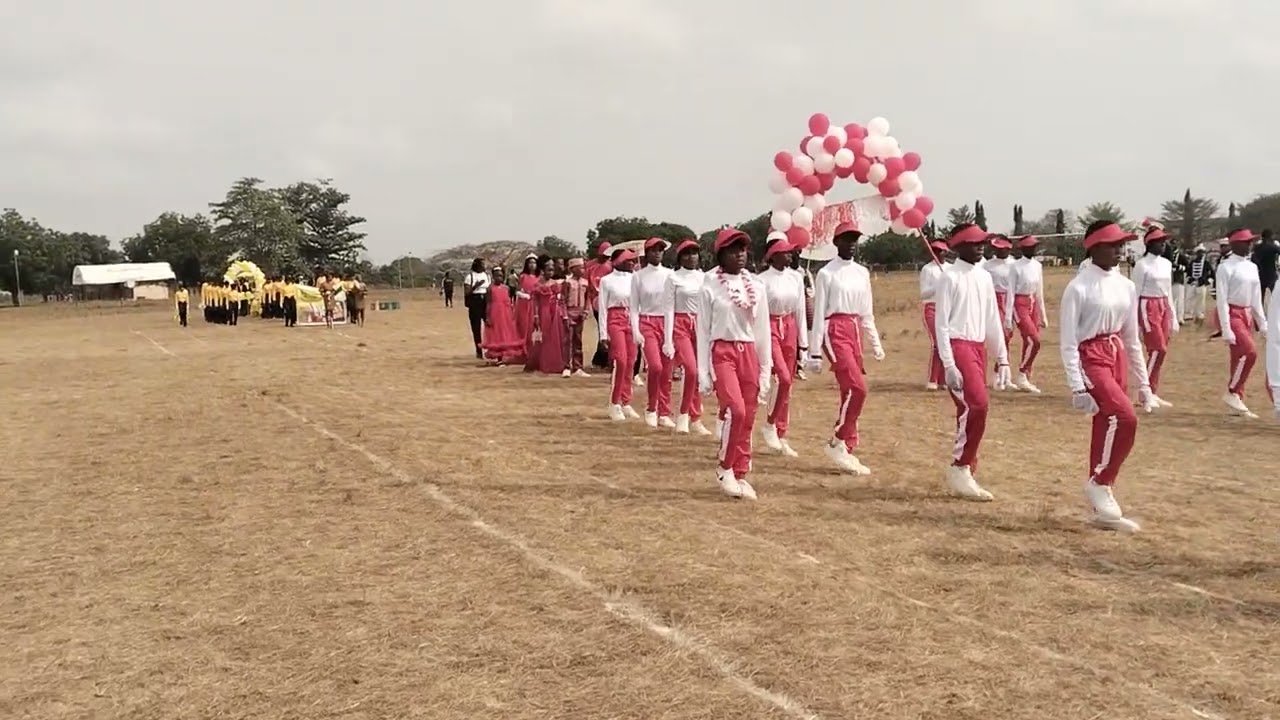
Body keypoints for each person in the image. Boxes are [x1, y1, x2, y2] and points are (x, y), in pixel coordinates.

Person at [1060, 220, 1161, 533]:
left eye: (1122, 244)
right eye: (1113, 244)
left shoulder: (1126, 285)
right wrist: (1077, 386)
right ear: (1094, 247)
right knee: (1124, 417)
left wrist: (1144, 384)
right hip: (1091, 357)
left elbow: (1132, 338)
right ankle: (1100, 483)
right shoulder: (1077, 287)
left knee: (1107, 424)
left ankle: (1101, 505)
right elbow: (1067, 342)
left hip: (1115, 353)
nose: (1120, 250)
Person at [933, 224, 1012, 501]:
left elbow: (992, 319)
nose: (981, 247)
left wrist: (1002, 358)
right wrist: (949, 363)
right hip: (958, 345)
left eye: (983, 242)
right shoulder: (949, 277)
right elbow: (941, 324)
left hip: (978, 346)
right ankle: (960, 467)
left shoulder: (984, 277)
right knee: (976, 404)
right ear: (959, 246)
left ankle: (966, 466)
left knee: (972, 409)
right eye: (974, 243)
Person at [696, 228, 772, 500]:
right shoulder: (708, 283)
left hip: (748, 351)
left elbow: (762, 330)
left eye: (743, 248)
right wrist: (703, 372)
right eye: (733, 249)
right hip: (722, 350)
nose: (739, 254)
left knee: (749, 414)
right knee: (736, 410)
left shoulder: (757, 286)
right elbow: (702, 330)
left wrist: (766, 369)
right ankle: (724, 467)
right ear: (720, 254)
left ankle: (741, 471)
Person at [808, 222, 885, 476]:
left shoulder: (862, 272)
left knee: (848, 392)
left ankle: (848, 447)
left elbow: (867, 310)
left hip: (854, 328)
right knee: (857, 388)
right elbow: (819, 313)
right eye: (846, 239)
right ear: (836, 242)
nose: (851, 243)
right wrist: (814, 351)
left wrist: (874, 341)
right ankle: (837, 441)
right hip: (834, 329)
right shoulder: (826, 273)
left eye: (855, 239)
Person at [758, 234, 808, 457]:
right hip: (769, 327)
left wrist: (803, 345)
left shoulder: (796, 277)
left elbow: (800, 311)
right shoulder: (761, 280)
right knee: (783, 379)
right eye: (786, 251)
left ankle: (781, 432)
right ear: (774, 256)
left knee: (788, 384)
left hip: (789, 327)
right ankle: (769, 424)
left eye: (791, 251)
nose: (791, 255)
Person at [1216, 228, 1268, 417]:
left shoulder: (1252, 266)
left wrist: (1262, 322)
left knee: (1238, 358)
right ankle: (1232, 392)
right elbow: (1221, 299)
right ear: (1234, 244)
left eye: (1250, 242)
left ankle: (1236, 400)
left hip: (1246, 313)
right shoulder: (1225, 267)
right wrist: (1225, 327)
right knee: (1249, 353)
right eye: (1246, 242)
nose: (1249, 245)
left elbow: (1256, 298)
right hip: (1232, 312)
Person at [662, 239, 710, 435]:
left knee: (699, 372)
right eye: (687, 253)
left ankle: (695, 417)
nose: (692, 257)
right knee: (690, 369)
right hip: (681, 324)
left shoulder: (704, 277)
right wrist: (667, 339)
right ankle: (682, 414)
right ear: (680, 257)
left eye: (695, 253)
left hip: (700, 324)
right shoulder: (673, 278)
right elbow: (668, 308)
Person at [631, 238, 675, 428]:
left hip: (666, 322)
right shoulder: (638, 276)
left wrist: (670, 335)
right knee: (655, 367)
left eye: (661, 250)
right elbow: (634, 307)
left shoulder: (670, 275)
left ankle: (664, 411)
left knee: (667, 370)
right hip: (647, 321)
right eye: (654, 250)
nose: (658, 253)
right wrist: (635, 331)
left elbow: (672, 305)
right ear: (647, 253)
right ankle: (651, 407)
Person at [1130, 227, 1179, 400]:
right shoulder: (1142, 265)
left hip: (1163, 304)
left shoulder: (1166, 264)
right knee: (1158, 349)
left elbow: (1169, 291)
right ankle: (1147, 390)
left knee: (1159, 351)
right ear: (1150, 244)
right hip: (1147, 305)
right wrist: (1134, 322)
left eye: (1164, 241)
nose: (1163, 244)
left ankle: (1152, 390)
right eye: (1159, 241)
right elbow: (1134, 293)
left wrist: (1173, 316)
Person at [598, 248, 640, 420]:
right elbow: (602, 307)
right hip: (615, 319)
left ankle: (626, 401)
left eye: (633, 260)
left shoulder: (634, 279)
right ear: (618, 261)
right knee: (621, 360)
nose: (632, 263)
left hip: (632, 318)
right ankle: (614, 402)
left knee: (631, 361)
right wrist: (603, 334)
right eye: (628, 260)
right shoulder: (606, 281)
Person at [1009, 235, 1048, 393]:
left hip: (1032, 303)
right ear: (1023, 249)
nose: (1032, 250)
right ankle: (1022, 373)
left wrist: (1043, 314)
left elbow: (1040, 292)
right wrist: (1007, 317)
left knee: (1029, 341)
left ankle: (1025, 377)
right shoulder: (1015, 266)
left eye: (1034, 247)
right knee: (1034, 341)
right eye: (1029, 247)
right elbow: (1010, 291)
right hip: (1019, 304)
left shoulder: (1037, 266)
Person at [524, 255, 568, 374]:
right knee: (545, 338)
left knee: (556, 338)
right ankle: (543, 362)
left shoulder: (556, 283)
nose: (551, 271)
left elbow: (561, 299)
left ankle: (555, 362)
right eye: (549, 269)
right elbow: (535, 302)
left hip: (555, 311)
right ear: (543, 270)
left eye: (553, 269)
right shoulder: (538, 284)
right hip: (544, 312)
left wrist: (563, 314)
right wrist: (536, 316)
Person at [918, 239, 951, 391]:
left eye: (941, 250)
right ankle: (932, 379)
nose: (938, 253)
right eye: (935, 250)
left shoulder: (951, 269)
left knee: (947, 343)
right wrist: (938, 285)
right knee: (938, 343)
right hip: (931, 307)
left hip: (948, 308)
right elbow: (923, 293)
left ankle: (943, 379)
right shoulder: (927, 269)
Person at [481, 267, 522, 365]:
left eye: (501, 275)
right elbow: (488, 303)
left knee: (505, 334)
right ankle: (498, 357)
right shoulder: (490, 288)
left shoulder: (506, 288)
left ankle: (504, 356)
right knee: (497, 335)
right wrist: (487, 316)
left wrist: (511, 313)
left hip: (505, 313)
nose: (499, 278)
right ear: (493, 276)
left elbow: (509, 301)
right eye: (497, 276)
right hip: (495, 313)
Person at [585, 243, 614, 370]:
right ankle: (602, 358)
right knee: (602, 330)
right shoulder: (590, 266)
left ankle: (603, 358)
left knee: (608, 330)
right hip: (596, 301)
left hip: (609, 302)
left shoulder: (612, 266)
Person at [562, 258, 591, 377]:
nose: (582, 270)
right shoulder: (567, 282)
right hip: (569, 311)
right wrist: (564, 314)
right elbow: (563, 299)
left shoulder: (585, 282)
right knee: (568, 340)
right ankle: (566, 366)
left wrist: (585, 311)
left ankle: (578, 366)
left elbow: (588, 297)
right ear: (573, 269)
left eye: (583, 267)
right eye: (580, 267)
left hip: (580, 312)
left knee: (578, 340)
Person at [463, 258, 491, 358]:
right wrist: (476, 286)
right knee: (476, 327)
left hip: (485, 301)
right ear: (477, 265)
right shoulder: (470, 276)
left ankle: (492, 348)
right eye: (483, 264)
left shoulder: (487, 275)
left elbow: (489, 289)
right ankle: (479, 351)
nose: (484, 266)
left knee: (490, 324)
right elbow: (467, 292)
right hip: (475, 301)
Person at [1251, 229, 1279, 305]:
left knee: (1260, 297)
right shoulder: (1273, 247)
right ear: (1270, 236)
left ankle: (1261, 313)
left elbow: (1253, 258)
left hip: (1260, 273)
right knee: (1276, 295)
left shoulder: (1257, 247)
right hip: (1271, 273)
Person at [1187, 247, 1213, 322]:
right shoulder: (1192, 262)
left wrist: (1206, 282)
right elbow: (1188, 272)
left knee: (1201, 300)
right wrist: (1190, 279)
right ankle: (1189, 313)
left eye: (1202, 253)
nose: (1201, 254)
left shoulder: (1206, 263)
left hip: (1201, 284)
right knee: (1189, 298)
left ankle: (1199, 313)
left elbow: (1212, 274)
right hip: (1192, 284)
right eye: (1199, 253)